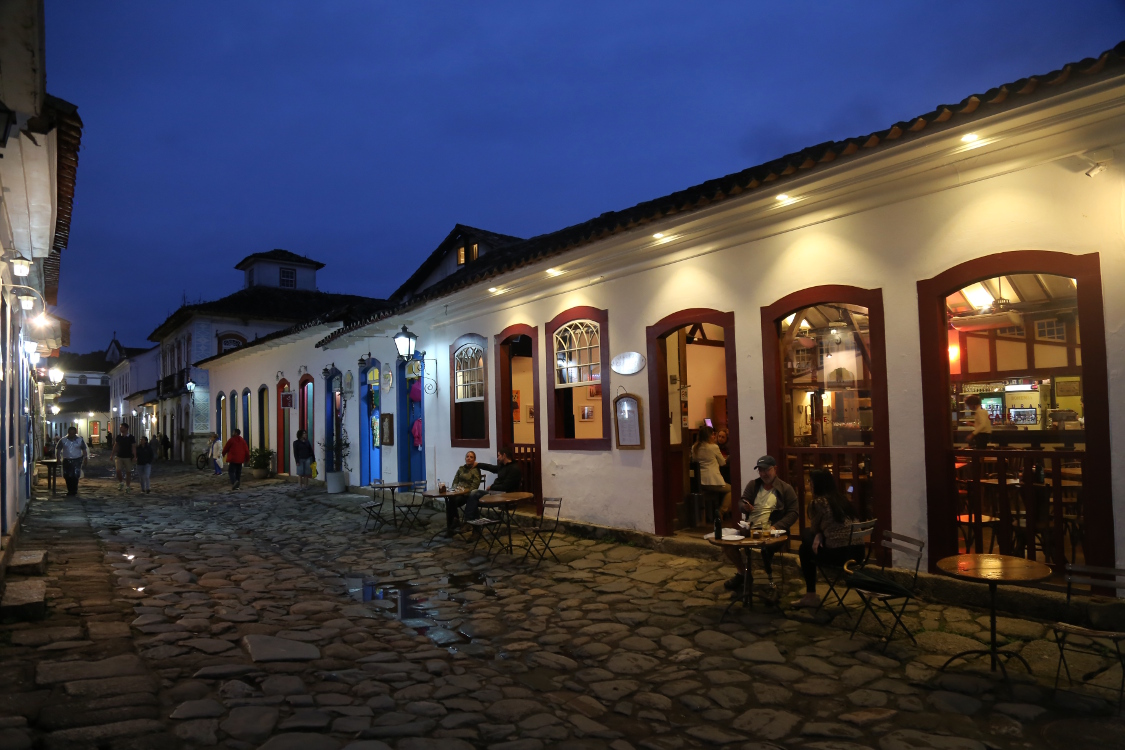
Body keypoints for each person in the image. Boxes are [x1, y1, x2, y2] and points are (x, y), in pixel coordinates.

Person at [724, 455, 799, 592]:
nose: (763, 474)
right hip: (751, 528)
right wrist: (744, 506)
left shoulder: (785, 488)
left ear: (775, 469)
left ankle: (770, 582)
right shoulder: (753, 485)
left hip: (771, 530)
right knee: (727, 544)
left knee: (766, 548)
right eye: (760, 470)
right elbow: (742, 501)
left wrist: (777, 526)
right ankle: (743, 573)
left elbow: (793, 513)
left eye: (766, 470)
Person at [795, 470, 865, 608]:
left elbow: (814, 528)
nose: (809, 485)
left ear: (817, 485)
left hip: (840, 556)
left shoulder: (818, 503)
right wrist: (820, 534)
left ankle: (811, 595)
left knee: (805, 546)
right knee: (810, 538)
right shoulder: (841, 500)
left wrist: (818, 534)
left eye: (810, 482)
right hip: (859, 554)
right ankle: (810, 590)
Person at [466, 447, 522, 521]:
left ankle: (470, 522)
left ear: (504, 455)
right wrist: (478, 464)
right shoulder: (503, 466)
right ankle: (473, 524)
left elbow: (505, 486)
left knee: (474, 494)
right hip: (495, 493)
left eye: (499, 455)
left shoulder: (514, 469)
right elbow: (491, 468)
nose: (497, 458)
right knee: (473, 497)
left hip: (505, 496)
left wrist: (492, 487)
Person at [691, 426, 730, 515]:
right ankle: (721, 511)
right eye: (713, 434)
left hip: (699, 481)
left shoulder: (694, 447)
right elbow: (722, 463)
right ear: (708, 436)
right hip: (712, 481)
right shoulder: (713, 447)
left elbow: (693, 461)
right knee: (732, 490)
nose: (714, 437)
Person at [444, 451, 483, 534]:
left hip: (468, 494)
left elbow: (475, 484)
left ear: (474, 459)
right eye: (467, 456)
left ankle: (454, 523)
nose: (469, 458)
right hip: (458, 492)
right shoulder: (461, 468)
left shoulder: (475, 470)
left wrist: (466, 492)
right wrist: (454, 490)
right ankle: (453, 523)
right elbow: (455, 481)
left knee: (452, 502)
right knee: (450, 500)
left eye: (471, 457)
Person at [55, 426, 88, 496]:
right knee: (67, 475)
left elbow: (84, 449)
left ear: (75, 433)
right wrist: (58, 458)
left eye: (73, 433)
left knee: (75, 475)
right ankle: (69, 489)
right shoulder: (63, 440)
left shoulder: (80, 440)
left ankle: (74, 489)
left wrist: (85, 458)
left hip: (77, 459)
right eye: (70, 433)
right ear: (68, 433)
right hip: (67, 459)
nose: (72, 435)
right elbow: (58, 450)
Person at [113, 423, 138, 493]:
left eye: (122, 427)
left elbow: (133, 447)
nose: (120, 428)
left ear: (126, 428)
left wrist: (135, 456)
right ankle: (121, 482)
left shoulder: (131, 437)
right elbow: (115, 446)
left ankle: (127, 486)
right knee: (118, 470)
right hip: (119, 456)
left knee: (128, 472)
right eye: (120, 427)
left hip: (128, 457)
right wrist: (112, 454)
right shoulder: (119, 437)